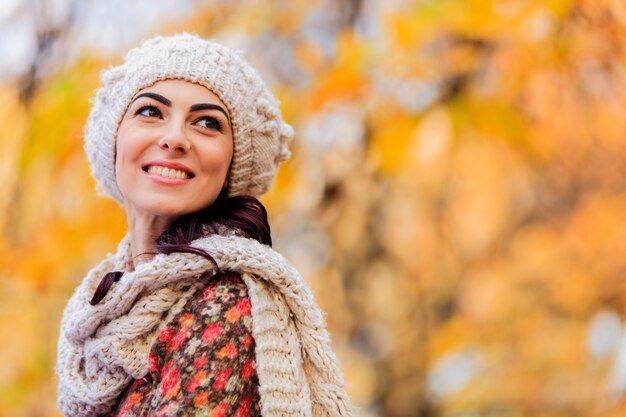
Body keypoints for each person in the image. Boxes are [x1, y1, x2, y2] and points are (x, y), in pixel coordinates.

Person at [55, 33, 352, 417]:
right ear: (113, 140)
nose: (175, 138)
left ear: (232, 164)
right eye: (150, 112)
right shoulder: (105, 306)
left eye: (207, 122)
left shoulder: (225, 304)